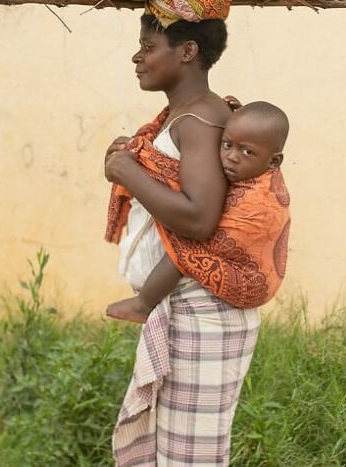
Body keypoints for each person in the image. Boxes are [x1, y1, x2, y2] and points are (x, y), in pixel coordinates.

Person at [103, 0, 290, 467]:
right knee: (175, 454)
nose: (137, 56)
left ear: (186, 52)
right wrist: (133, 163)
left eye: (148, 45)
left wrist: (129, 173)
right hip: (188, 310)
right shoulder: (187, 117)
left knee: (191, 459)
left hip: (203, 313)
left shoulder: (202, 122)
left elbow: (199, 220)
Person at [105, 100, 290, 324]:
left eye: (247, 151)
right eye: (226, 144)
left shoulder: (259, 200)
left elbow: (203, 226)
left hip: (248, 281)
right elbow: (256, 135)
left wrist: (143, 174)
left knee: (186, 243)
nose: (232, 156)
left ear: (274, 161)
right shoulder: (252, 166)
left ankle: (143, 304)